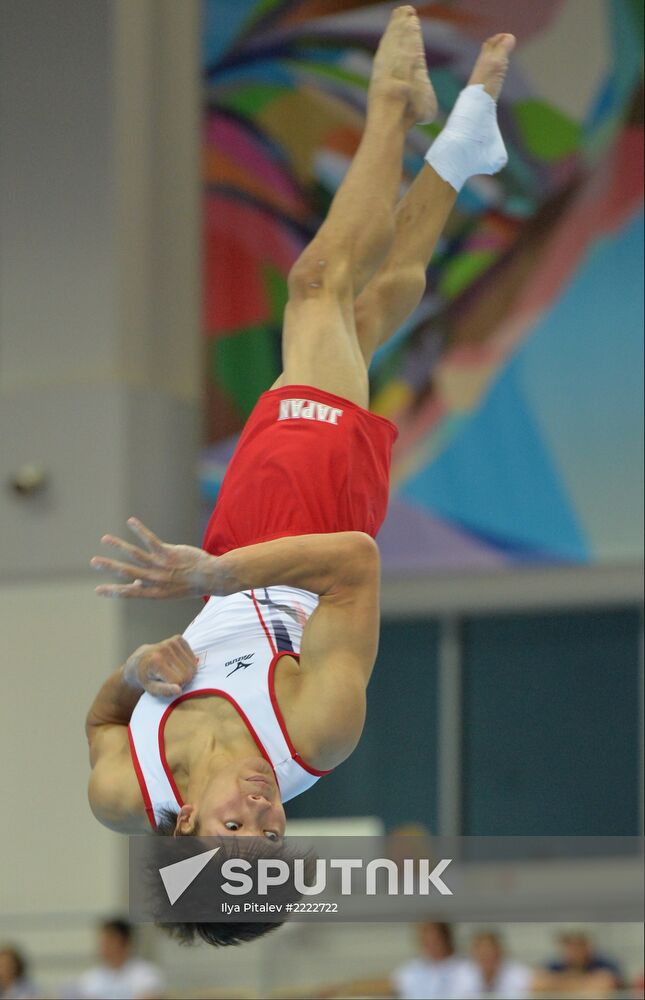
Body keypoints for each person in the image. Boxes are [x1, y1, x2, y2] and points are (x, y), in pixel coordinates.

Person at [86, 7, 515, 947]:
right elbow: (355, 562)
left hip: (241, 532)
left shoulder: (126, 792)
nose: (258, 808)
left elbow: (102, 722)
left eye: (236, 827)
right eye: (272, 832)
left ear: (184, 829)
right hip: (309, 533)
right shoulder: (312, 733)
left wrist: (130, 672)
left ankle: (458, 154)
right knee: (318, 285)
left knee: (363, 312)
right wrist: (210, 579)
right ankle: (391, 107)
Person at [315, 922, 472, 999]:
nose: (429, 946)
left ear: (445, 939)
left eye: (434, 940)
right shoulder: (416, 970)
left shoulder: (466, 968)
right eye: (425, 941)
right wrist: (341, 988)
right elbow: (384, 984)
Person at [63, 918, 165, 1000]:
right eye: (103, 941)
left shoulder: (146, 974)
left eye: (110, 941)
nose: (104, 946)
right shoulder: (90, 978)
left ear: (125, 942)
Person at [532, 929, 623, 996]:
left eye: (578, 945)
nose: (574, 950)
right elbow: (538, 984)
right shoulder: (553, 964)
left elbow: (604, 985)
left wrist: (558, 984)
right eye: (570, 945)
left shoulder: (606, 963)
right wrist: (584, 984)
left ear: (588, 945)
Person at [459, 930, 534, 999]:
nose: (487, 956)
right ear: (473, 954)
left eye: (491, 953)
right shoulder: (460, 974)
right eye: (482, 954)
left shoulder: (516, 972)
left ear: (500, 952)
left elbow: (540, 983)